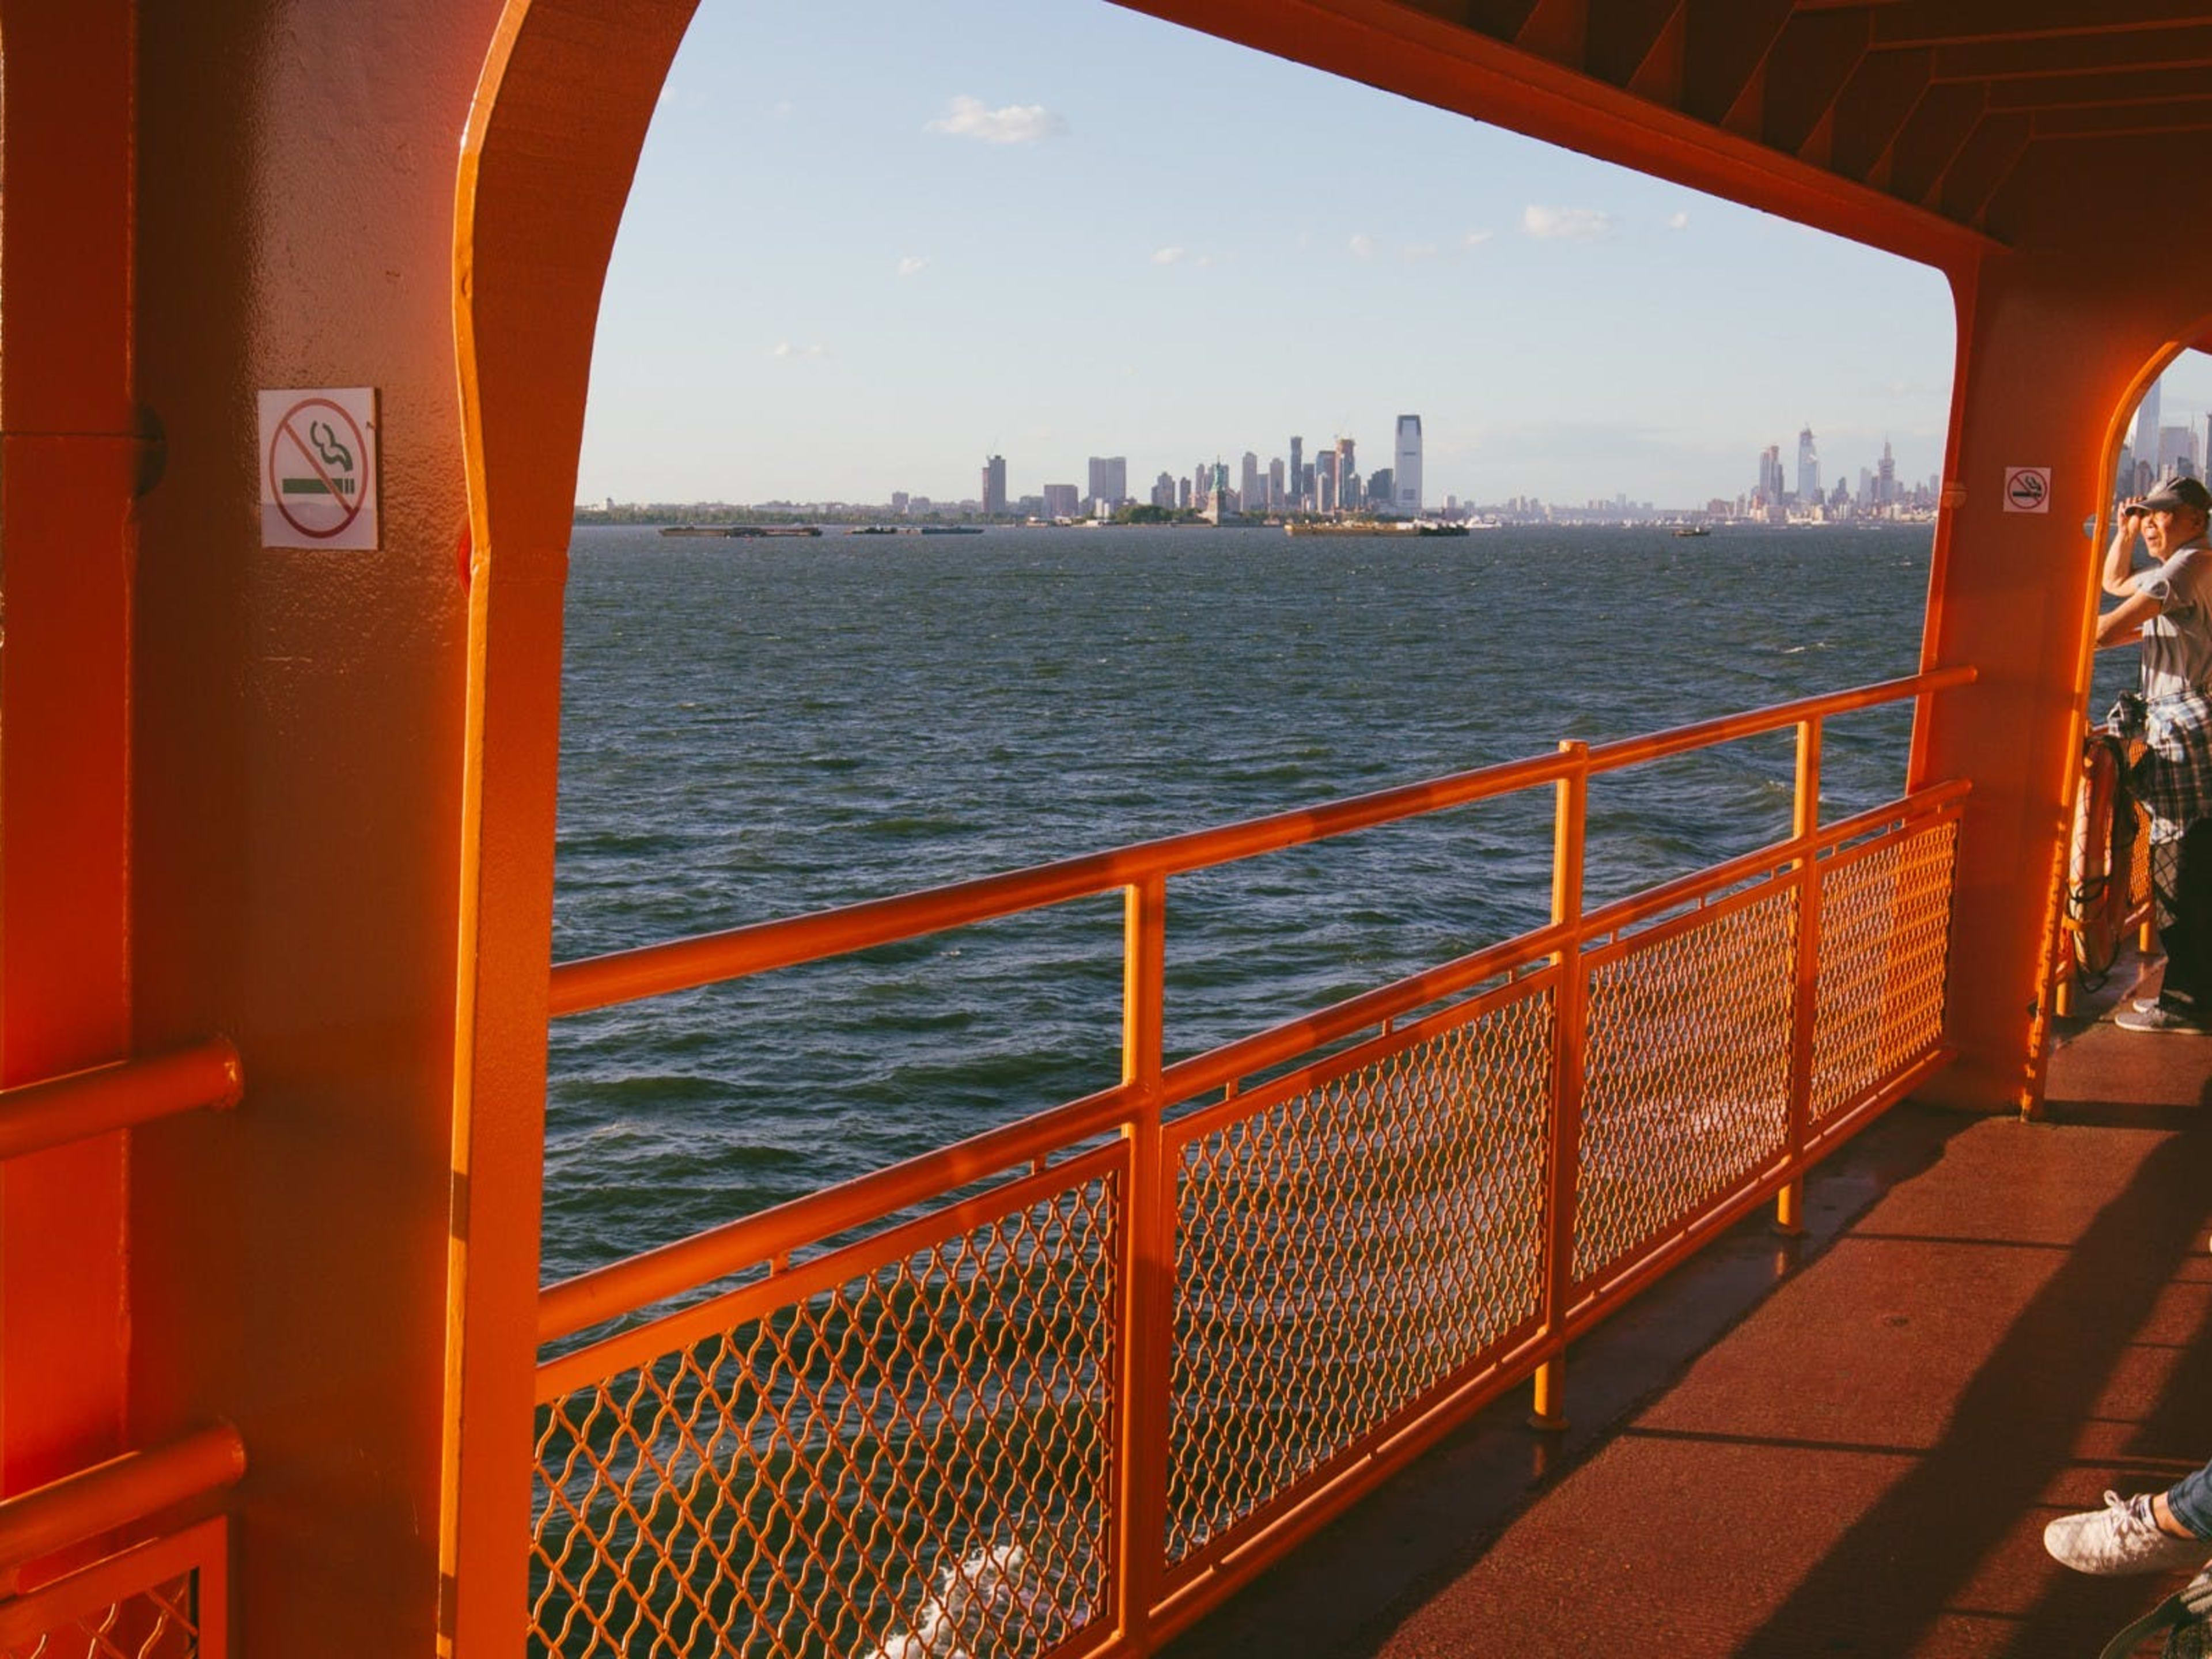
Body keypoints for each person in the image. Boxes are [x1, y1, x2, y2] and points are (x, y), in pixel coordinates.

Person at [2094, 474, 2212, 1033]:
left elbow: (2109, 626)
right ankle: (2189, 993)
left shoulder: (2189, 565)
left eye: (2161, 514)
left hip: (2189, 732)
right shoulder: (2184, 566)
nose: (2150, 524)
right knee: (2189, 861)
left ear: (2194, 518)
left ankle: (2186, 1003)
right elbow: (2116, 581)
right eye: (2145, 514)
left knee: (2178, 867)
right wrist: (2122, 532)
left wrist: (2035, 635)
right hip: (2189, 728)